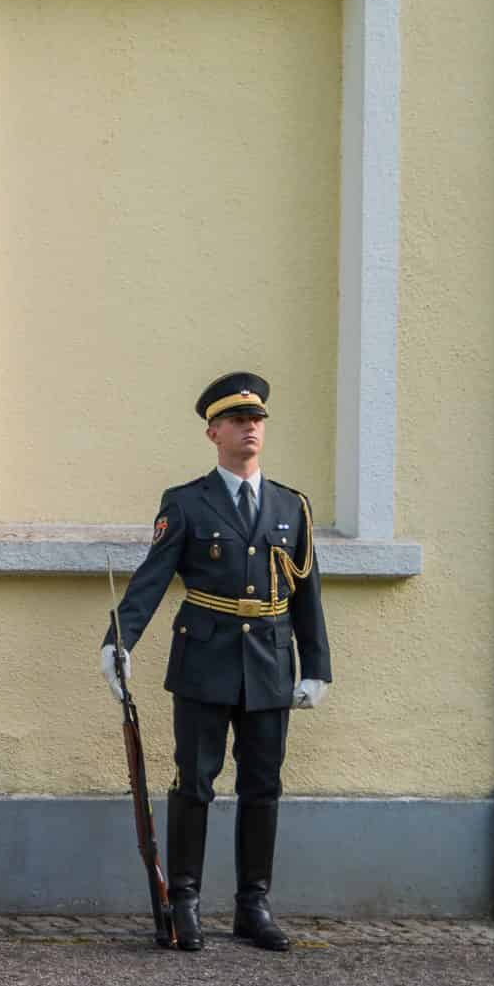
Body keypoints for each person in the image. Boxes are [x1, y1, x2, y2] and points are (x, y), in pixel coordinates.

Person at [99, 371, 329, 952]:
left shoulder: (289, 506)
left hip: (271, 662)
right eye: (237, 420)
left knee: (262, 786)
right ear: (213, 432)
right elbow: (151, 582)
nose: (250, 428)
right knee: (195, 784)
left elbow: (307, 594)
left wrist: (317, 665)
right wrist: (117, 641)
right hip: (204, 660)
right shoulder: (186, 503)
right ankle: (186, 902)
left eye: (257, 421)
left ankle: (254, 906)